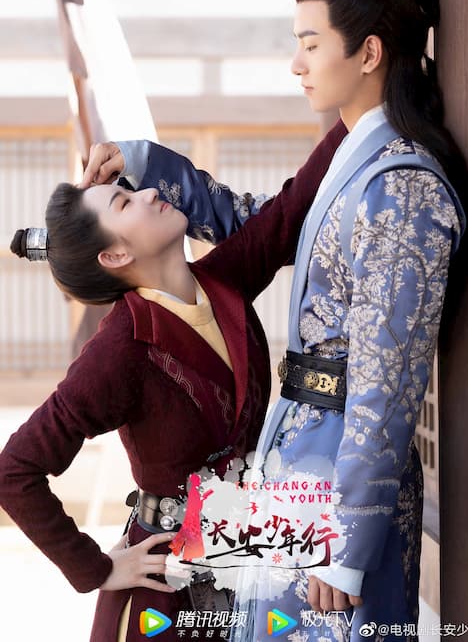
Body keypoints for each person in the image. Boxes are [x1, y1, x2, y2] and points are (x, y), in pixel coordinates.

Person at [80, 0, 468, 642]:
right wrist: (145, 161)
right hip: (299, 454)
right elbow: (260, 223)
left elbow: (387, 383)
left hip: (341, 480)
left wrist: (349, 544)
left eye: (311, 43)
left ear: (369, 53)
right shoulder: (355, 160)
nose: (296, 63)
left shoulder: (401, 188)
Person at [0, 124, 343, 642]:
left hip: (248, 562)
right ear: (115, 256)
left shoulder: (222, 279)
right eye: (125, 202)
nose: (148, 194)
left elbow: (291, 210)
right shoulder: (120, 347)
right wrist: (95, 568)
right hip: (165, 593)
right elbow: (15, 469)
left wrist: (364, 106)